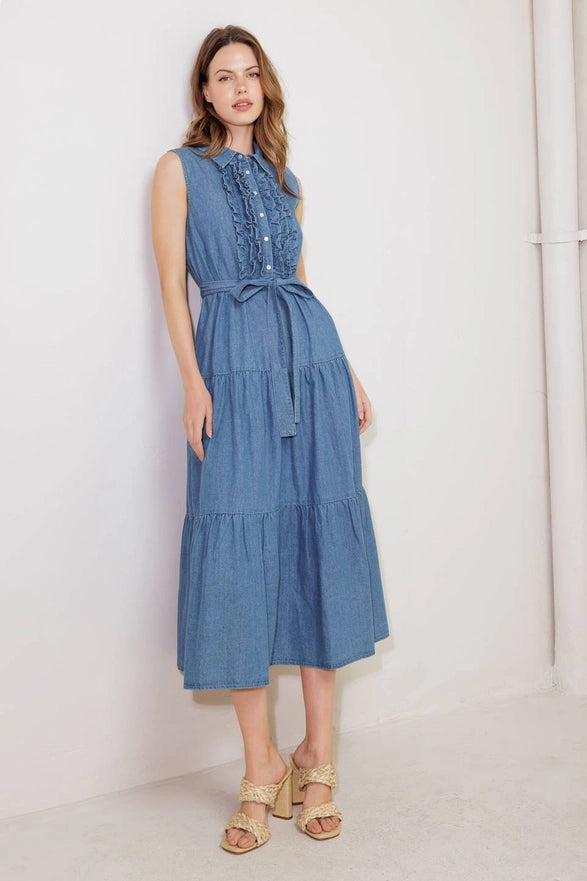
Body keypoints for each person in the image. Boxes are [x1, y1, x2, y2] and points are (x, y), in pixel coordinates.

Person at [150, 24, 390, 854]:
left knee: (317, 542)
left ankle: (316, 756)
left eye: (252, 73)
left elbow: (297, 282)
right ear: (204, 94)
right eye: (225, 76)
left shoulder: (284, 177)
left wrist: (347, 370)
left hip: (309, 364)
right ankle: (259, 766)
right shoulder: (178, 172)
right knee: (238, 556)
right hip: (230, 369)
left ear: (263, 88)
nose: (241, 86)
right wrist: (191, 381)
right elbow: (174, 288)